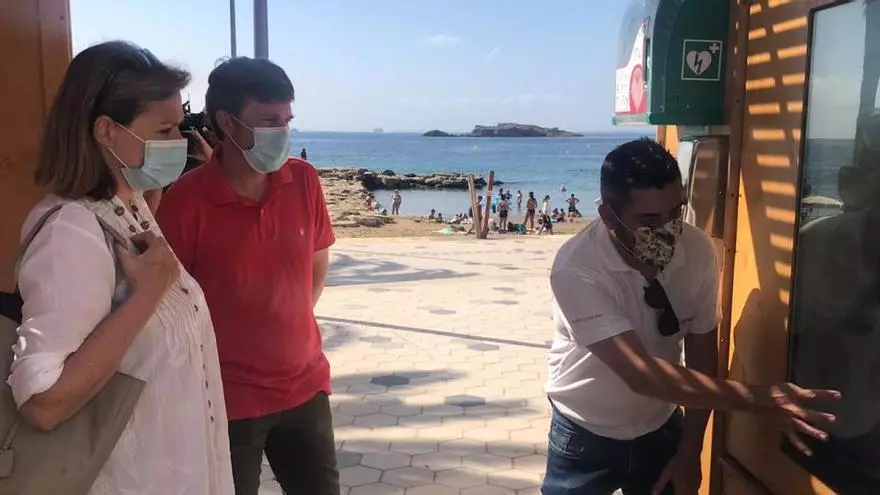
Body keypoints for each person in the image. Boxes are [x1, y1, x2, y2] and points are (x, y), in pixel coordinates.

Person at [542, 138, 839, 495]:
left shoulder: (698, 250)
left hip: (661, 427)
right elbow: (642, 375)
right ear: (608, 216)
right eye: (650, 220)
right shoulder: (577, 269)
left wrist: (690, 450)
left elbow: (702, 356)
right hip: (584, 434)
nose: (669, 230)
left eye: (675, 213)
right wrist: (763, 400)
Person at [9, 41, 233, 494]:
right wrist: (149, 293)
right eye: (165, 130)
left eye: (180, 126)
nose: (180, 142)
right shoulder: (71, 231)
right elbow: (42, 400)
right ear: (107, 131)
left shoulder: (127, 206)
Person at [156, 57, 338, 495]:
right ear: (227, 122)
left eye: (287, 120)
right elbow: (167, 304)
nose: (283, 132)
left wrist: (285, 326)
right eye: (269, 121)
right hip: (225, 398)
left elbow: (316, 266)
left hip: (307, 387)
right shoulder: (186, 201)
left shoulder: (304, 181)